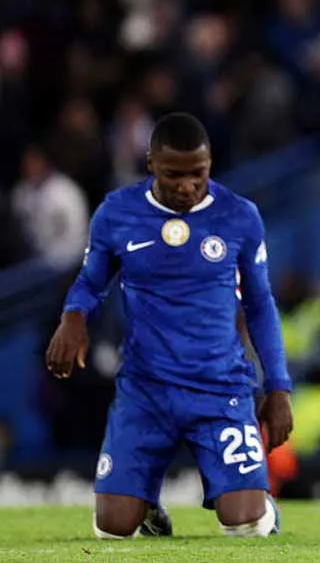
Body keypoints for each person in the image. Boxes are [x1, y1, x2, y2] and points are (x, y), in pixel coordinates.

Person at [45, 112, 292, 539]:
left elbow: (260, 304)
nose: (187, 185)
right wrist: (73, 316)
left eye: (197, 173)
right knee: (111, 529)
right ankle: (144, 509)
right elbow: (90, 281)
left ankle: (258, 501)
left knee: (246, 525)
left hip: (220, 389)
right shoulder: (118, 212)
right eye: (173, 174)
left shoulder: (239, 216)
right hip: (145, 389)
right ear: (151, 164)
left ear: (210, 163)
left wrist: (279, 386)